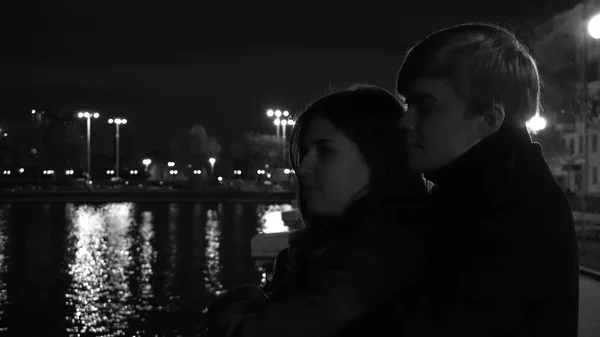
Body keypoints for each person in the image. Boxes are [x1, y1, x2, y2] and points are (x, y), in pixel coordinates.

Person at [396, 23, 579, 337]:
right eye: (407, 104)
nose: (405, 122)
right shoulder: (480, 191)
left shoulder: (511, 213)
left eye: (425, 107)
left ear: (489, 119)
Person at [205, 84, 430, 337]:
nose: (303, 168)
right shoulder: (328, 252)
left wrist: (233, 310)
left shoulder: (380, 260)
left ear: (379, 156)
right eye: (304, 152)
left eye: (325, 151)